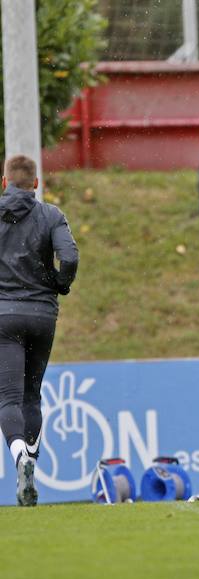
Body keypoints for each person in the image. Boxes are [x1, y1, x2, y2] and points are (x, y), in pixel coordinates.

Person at [0, 155, 78, 507]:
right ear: (35, 184)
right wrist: (59, 285)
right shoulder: (51, 215)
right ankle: (31, 459)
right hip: (42, 315)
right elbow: (70, 257)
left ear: (4, 183)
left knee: (8, 398)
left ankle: (20, 458)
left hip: (3, 316)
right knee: (32, 396)